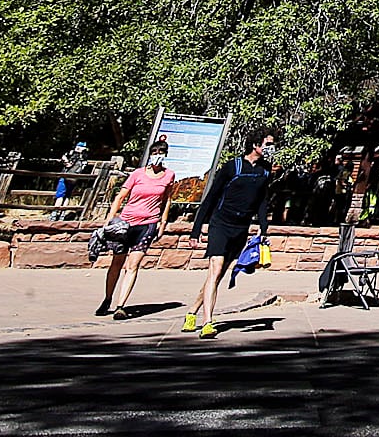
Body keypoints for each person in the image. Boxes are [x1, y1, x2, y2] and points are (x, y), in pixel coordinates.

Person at [184, 127, 279, 338]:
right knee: (215, 269)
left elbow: (262, 200)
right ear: (256, 145)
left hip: (241, 226)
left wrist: (264, 228)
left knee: (216, 276)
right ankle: (207, 322)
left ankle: (192, 312)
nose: (271, 148)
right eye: (268, 144)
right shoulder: (232, 167)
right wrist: (196, 230)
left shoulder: (265, 170)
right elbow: (210, 198)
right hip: (221, 224)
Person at [93, 137, 175, 319]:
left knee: (133, 264)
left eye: (160, 153)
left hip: (148, 224)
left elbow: (167, 199)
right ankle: (108, 298)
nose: (157, 157)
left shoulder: (169, 175)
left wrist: (163, 221)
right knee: (117, 262)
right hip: (127, 222)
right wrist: (110, 218)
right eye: (154, 153)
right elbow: (120, 196)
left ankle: (121, 305)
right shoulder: (138, 174)